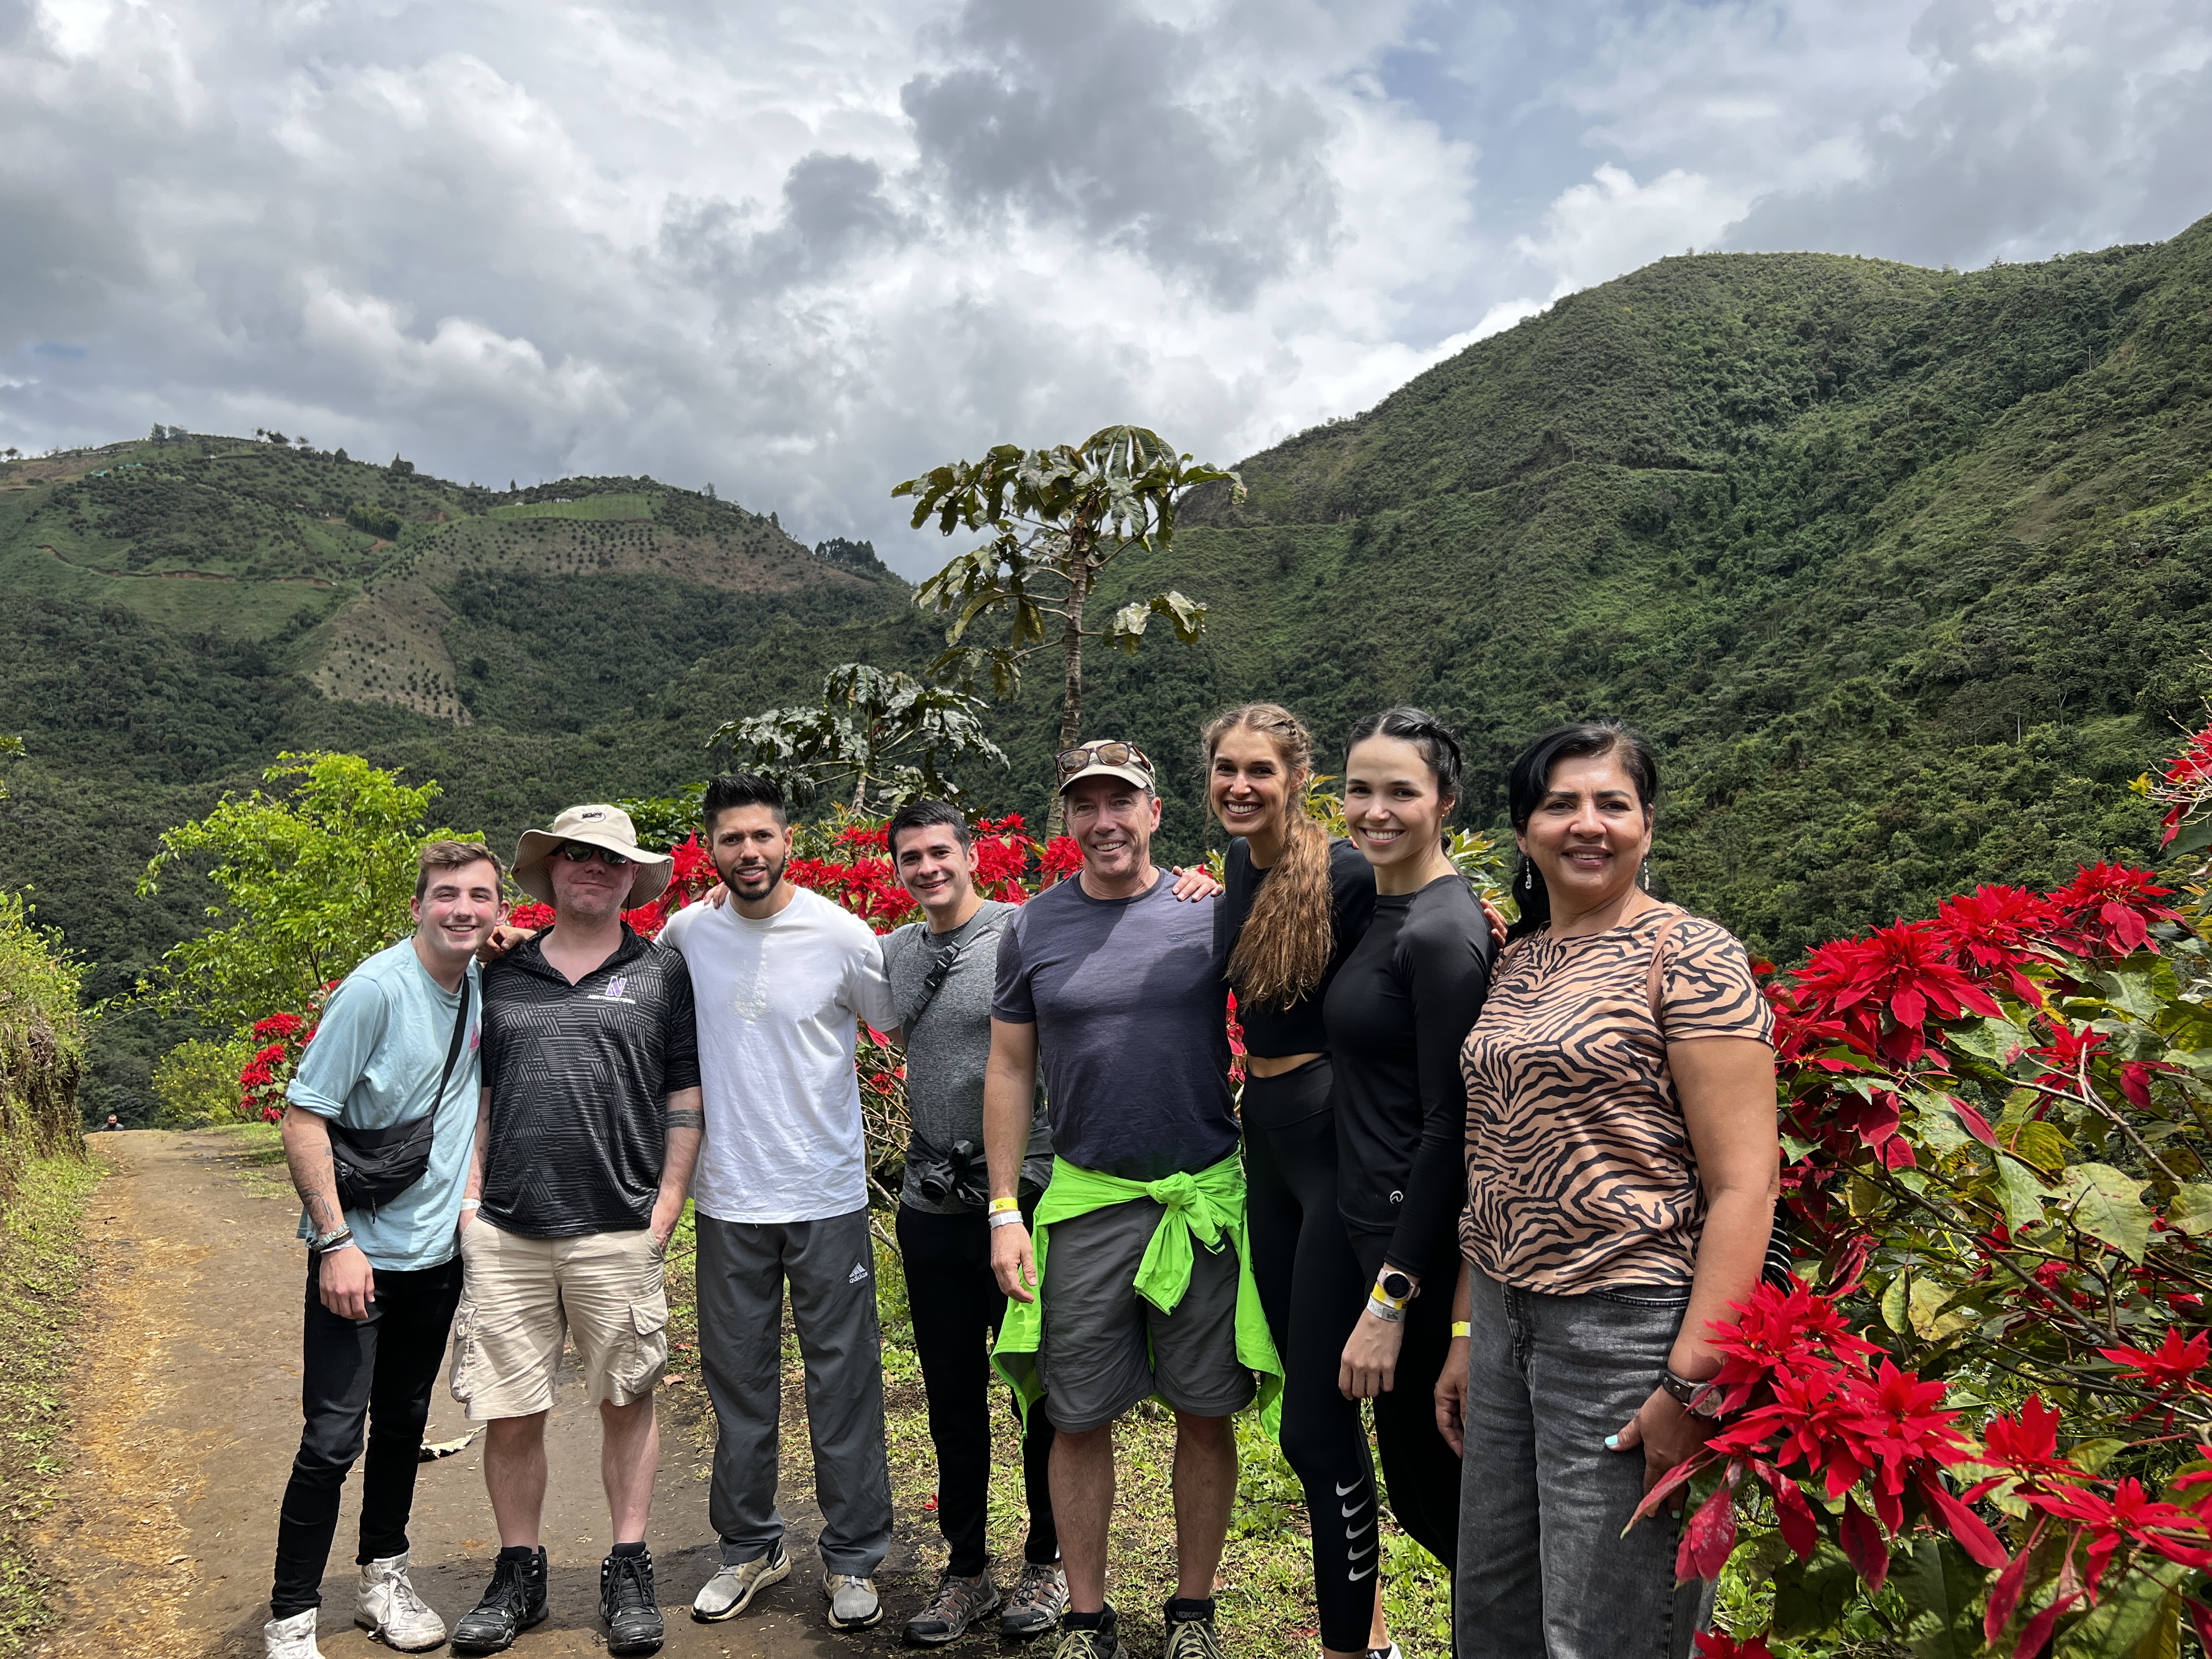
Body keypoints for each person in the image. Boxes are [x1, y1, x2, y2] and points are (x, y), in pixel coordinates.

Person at [1437, 720, 1779, 1659]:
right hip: (1508, 1318)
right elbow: (1493, 1158)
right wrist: (1470, 1329)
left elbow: (1747, 1184)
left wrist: (1692, 1384)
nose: (1587, 825)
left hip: (1629, 1326)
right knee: (1494, 1612)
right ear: (1525, 830)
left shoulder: (1692, 955)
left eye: (1611, 804)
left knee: (1611, 1626)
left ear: (1647, 826)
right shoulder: (1520, 958)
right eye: (1561, 804)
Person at [870, 799, 1223, 1646]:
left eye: (1120, 803)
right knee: (1020, 1404)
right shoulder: (962, 939)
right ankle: (1025, 1592)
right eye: (909, 857)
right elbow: (1007, 1065)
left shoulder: (1191, 911)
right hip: (1011, 1198)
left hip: (1132, 1191)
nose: (927, 868)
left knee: (1148, 1407)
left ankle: (1132, 1591)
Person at [988, 739, 1282, 1659]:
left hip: (1200, 1195)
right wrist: (1004, 1208)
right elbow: (1008, 1067)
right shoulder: (1032, 927)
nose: (1105, 821)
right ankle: (1087, 1616)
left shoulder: (1212, 910)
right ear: (1067, 821)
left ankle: (1192, 1613)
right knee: (1076, 1416)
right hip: (1085, 1200)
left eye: (1123, 802)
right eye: (1087, 805)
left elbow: (1324, 930)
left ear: (1156, 812)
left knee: (1204, 1409)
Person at [448, 805, 702, 1658]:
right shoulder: (503, 971)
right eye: (575, 856)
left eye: (609, 859)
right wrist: (471, 1199)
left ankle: (628, 1566)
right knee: (510, 1410)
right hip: (509, 1227)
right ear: (551, 871)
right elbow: (476, 1091)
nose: (592, 869)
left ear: (632, 877)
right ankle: (518, 1572)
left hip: (620, 1225)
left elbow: (684, 1098)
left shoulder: (662, 972)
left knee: (626, 1398)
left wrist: (666, 1209)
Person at [658, 774, 901, 1635]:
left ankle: (853, 1558)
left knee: (845, 1382)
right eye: (732, 840)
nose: (749, 853)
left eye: (763, 836)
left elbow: (895, 1023)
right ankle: (751, 1546)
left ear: (788, 839)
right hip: (727, 1200)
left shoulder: (840, 933)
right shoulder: (685, 935)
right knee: (739, 1383)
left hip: (825, 1194)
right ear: (712, 848)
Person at [263, 841, 505, 1659]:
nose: (463, 910)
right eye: (446, 895)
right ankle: (292, 1616)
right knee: (333, 1438)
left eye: (480, 896)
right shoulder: (375, 990)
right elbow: (304, 1116)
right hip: (357, 1257)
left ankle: (382, 1578)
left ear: (499, 909)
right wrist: (335, 1243)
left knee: (403, 1423)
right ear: (416, 906)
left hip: (435, 1257)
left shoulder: (479, 979)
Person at [1207, 704, 1397, 1659]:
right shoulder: (1240, 870)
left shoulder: (1350, 877)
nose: (1241, 786)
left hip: (1330, 1143)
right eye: (1226, 770)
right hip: (1265, 1141)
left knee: (1317, 1432)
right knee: (1311, 1422)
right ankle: (1366, 1635)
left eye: (1260, 772)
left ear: (1296, 778)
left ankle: (1348, 1650)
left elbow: (1396, 994)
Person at [1324, 708, 1496, 1604]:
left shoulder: (1438, 934)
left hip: (1410, 1252)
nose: (1375, 809)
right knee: (1432, 1507)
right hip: (1370, 1227)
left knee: (1451, 1509)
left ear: (1445, 801)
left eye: (1402, 791)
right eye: (1360, 789)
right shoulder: (1384, 905)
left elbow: (1452, 1127)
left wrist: (1392, 1297)